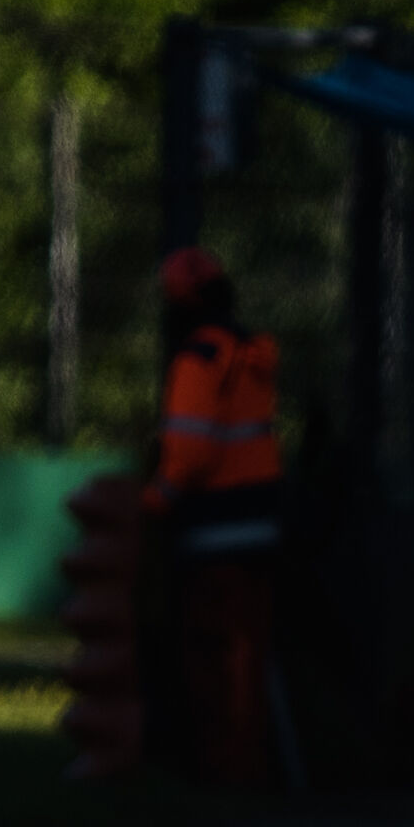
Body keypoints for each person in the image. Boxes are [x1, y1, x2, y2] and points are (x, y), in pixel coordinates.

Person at [142, 246, 284, 787]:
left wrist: (156, 501)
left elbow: (193, 451)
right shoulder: (251, 353)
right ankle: (247, 760)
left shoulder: (198, 359)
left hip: (213, 532)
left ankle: (219, 766)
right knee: (249, 653)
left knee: (211, 652)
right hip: (260, 524)